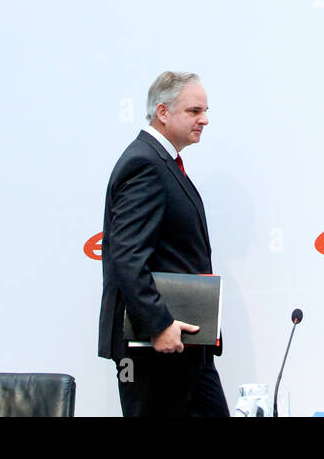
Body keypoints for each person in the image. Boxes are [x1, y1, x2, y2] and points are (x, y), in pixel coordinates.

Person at [97, 71, 228, 416]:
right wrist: (159, 324)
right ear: (163, 112)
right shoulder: (144, 164)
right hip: (156, 346)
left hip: (186, 344)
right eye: (194, 111)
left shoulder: (163, 163)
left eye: (205, 110)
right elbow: (126, 256)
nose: (205, 119)